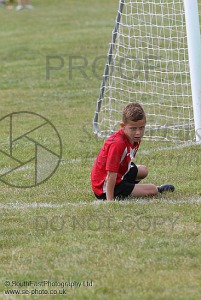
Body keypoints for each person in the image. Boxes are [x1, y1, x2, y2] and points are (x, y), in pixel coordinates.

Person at [91, 102, 175, 201]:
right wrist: (110, 200)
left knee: (143, 170)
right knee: (152, 190)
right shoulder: (117, 144)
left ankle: (128, 186)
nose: (138, 132)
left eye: (141, 128)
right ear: (123, 126)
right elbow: (111, 174)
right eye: (133, 129)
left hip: (120, 175)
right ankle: (156, 189)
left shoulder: (134, 138)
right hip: (104, 188)